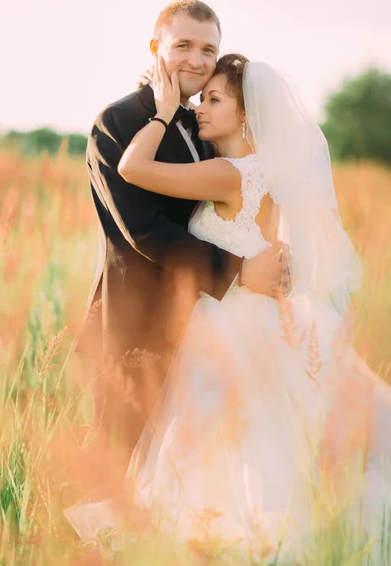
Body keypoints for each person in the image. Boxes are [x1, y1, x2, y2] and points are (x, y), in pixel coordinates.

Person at [65, 52, 391, 562]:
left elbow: (132, 167)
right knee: (262, 441)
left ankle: (236, 537)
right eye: (203, 98)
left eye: (215, 100)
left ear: (246, 115)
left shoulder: (229, 173)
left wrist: (159, 110)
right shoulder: (265, 174)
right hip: (255, 320)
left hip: (228, 326)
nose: (200, 108)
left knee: (225, 445)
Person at [75, 0, 288, 456]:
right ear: (156, 48)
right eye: (184, 45)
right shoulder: (117, 123)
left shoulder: (201, 122)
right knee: (120, 466)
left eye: (209, 50)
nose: (197, 59)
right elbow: (144, 230)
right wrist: (239, 270)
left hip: (204, 323)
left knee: (194, 460)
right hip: (137, 318)